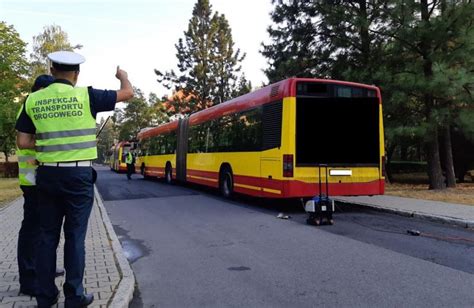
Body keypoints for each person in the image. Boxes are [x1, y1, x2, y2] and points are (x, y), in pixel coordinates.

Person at [16, 50, 133, 307]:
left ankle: (45, 297)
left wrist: (49, 146)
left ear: (51, 70)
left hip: (46, 175)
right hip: (78, 176)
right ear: (76, 74)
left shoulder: (33, 100)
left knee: (47, 236)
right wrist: (122, 75)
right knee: (75, 237)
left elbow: (23, 140)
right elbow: (128, 93)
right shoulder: (86, 95)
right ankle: (74, 296)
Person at [17, 75, 66, 297]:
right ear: (40, 90)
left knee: (42, 228)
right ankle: (28, 280)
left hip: (39, 176)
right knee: (32, 229)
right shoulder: (30, 107)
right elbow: (26, 141)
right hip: (32, 178)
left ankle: (41, 269)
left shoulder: (34, 105)